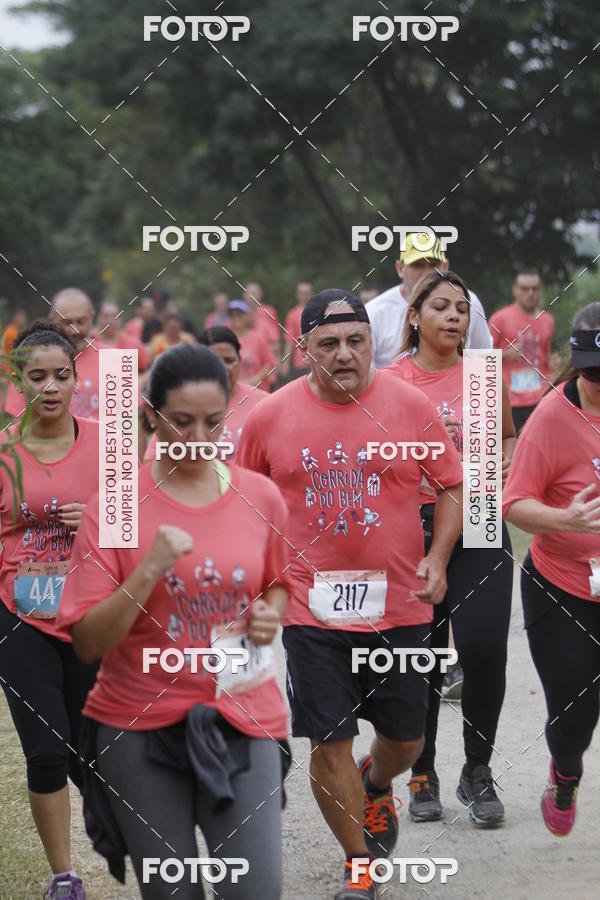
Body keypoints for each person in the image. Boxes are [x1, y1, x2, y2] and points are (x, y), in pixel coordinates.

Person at [238, 289, 463, 900]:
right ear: (303, 348)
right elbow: (241, 501)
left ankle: (378, 780)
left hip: (399, 606)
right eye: (328, 343)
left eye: (355, 340)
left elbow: (451, 486)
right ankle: (358, 866)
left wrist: (437, 560)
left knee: (407, 739)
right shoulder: (269, 417)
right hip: (310, 607)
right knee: (327, 737)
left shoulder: (410, 406)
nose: (344, 354)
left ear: (373, 341)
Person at [57, 343, 291, 899]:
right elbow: (88, 641)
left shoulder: (259, 496)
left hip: (242, 717)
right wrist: (149, 570)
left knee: (257, 891)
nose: (198, 439)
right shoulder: (117, 506)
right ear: (150, 414)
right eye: (180, 422)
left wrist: (268, 617)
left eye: (213, 422)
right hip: (139, 728)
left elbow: (280, 584)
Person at [388, 270, 516, 827]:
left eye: (462, 308)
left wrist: (507, 458)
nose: (454, 316)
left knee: (485, 650)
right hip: (408, 523)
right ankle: (423, 772)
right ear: (414, 317)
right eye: (440, 306)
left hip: (481, 512)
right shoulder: (389, 380)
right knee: (422, 657)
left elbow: (508, 435)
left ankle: (477, 772)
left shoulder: (485, 376)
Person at [0, 320, 102, 900]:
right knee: (45, 749)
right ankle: (64, 876)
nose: (49, 387)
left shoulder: (107, 447)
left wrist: (95, 518)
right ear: (18, 381)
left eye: (60, 375)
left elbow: (133, 532)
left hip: (91, 613)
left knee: (96, 753)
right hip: (21, 615)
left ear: (75, 378)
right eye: (35, 376)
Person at [503, 302, 600, 837]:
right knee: (574, 711)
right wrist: (567, 517)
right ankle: (566, 771)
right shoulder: (551, 416)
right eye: (590, 371)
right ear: (574, 362)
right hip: (563, 588)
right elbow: (513, 503)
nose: (599, 382)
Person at [143, 325, 267, 462]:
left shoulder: (263, 403)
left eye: (229, 360)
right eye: (215, 361)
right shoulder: (181, 403)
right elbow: (154, 461)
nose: (223, 368)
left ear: (240, 361)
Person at [368, 233, 492, 368]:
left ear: (445, 266)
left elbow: (483, 360)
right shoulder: (374, 312)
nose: (427, 273)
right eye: (418, 265)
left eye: (433, 264)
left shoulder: (468, 302)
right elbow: (367, 380)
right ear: (400, 268)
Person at [4, 288, 111, 421]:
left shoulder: (114, 359)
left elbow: (131, 425)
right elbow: (20, 423)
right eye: (67, 322)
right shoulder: (29, 360)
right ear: (51, 320)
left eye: (81, 321)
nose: (75, 330)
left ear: (92, 317)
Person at [488, 269, 555, 433]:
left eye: (535, 288)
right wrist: (505, 354)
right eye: (525, 288)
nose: (530, 293)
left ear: (540, 290)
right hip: (510, 399)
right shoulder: (500, 318)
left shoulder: (547, 320)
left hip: (541, 396)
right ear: (515, 290)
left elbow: (545, 356)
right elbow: (479, 355)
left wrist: (555, 363)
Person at [228, 300, 276, 389]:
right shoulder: (226, 339)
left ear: (246, 316)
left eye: (239, 315)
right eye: (232, 315)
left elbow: (270, 362)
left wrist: (256, 378)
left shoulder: (257, 338)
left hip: (256, 391)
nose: (235, 318)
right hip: (234, 391)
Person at [93, 300, 151, 372]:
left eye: (115, 316)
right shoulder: (89, 342)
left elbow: (148, 371)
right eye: (105, 316)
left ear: (120, 319)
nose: (110, 321)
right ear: (99, 318)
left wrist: (139, 381)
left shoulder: (134, 344)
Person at [281, 281, 312, 380]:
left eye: (307, 293)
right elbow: (289, 341)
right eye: (302, 293)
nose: (305, 296)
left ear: (311, 294)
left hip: (317, 362)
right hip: (300, 363)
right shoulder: (292, 315)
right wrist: (285, 362)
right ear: (298, 295)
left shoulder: (319, 312)